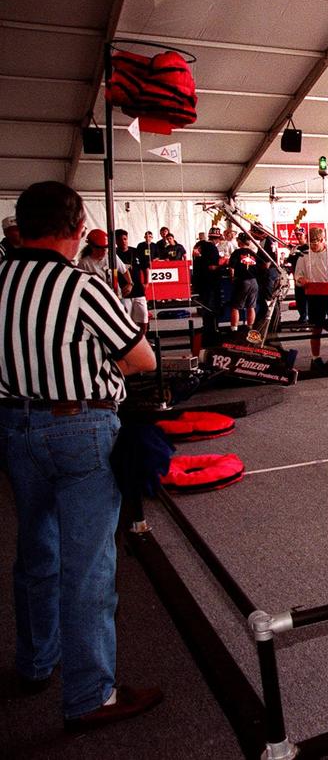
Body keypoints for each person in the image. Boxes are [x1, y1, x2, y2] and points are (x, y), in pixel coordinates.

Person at [0, 181, 161, 731]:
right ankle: (90, 695)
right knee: (88, 566)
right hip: (81, 428)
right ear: (75, 230)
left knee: (35, 550)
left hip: (14, 427)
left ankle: (34, 663)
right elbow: (141, 359)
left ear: (20, 225)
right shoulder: (83, 286)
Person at [292, 226, 328, 369]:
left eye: (316, 243)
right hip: (314, 294)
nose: (313, 246)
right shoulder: (304, 255)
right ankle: (315, 358)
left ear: (323, 240)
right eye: (311, 243)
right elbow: (297, 275)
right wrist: (302, 280)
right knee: (316, 328)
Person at [191, 227, 224, 342]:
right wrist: (223, 264)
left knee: (205, 305)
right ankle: (212, 329)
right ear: (218, 238)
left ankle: (207, 327)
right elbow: (212, 266)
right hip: (210, 281)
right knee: (212, 306)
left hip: (200, 280)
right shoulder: (212, 248)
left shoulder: (199, 245)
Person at [113, 229, 148, 334]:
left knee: (143, 317)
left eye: (125, 239)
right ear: (116, 241)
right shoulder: (113, 255)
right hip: (123, 291)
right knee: (126, 318)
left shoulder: (136, 252)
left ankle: (143, 338)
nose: (123, 241)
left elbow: (145, 268)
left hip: (138, 290)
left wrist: (147, 282)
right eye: (120, 240)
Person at [76, 229, 130, 296]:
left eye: (106, 248)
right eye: (100, 248)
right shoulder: (84, 264)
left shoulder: (111, 257)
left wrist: (130, 283)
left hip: (116, 296)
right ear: (91, 246)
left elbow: (124, 270)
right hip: (98, 297)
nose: (104, 251)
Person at [228, 233, 258, 333]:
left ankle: (234, 330)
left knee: (235, 306)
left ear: (239, 241)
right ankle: (250, 329)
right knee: (251, 306)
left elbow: (231, 268)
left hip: (242, 281)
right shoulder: (253, 253)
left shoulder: (236, 253)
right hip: (254, 282)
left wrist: (232, 278)